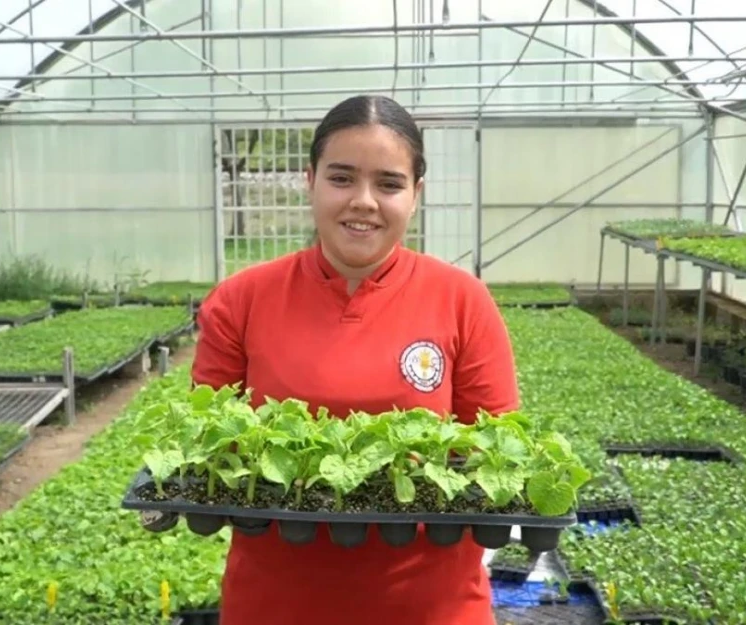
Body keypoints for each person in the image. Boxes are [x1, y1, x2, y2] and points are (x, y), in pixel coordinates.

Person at [192, 94, 520, 625]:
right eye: (341, 178)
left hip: (433, 606)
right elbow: (211, 446)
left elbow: (498, 449)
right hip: (275, 604)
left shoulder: (462, 300)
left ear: (415, 194)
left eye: (388, 184)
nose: (363, 201)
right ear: (310, 181)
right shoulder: (241, 300)